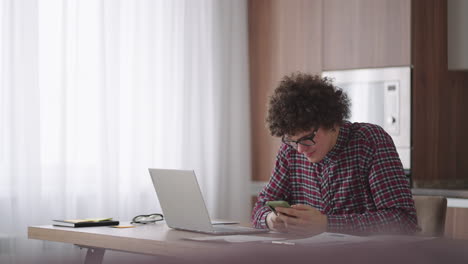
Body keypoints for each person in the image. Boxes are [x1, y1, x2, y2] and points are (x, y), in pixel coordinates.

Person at [251, 73, 419, 235]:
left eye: (307, 138)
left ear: (330, 121)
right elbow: (260, 208)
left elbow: (403, 221)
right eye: (293, 140)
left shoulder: (369, 141)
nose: (301, 150)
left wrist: (327, 224)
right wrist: (270, 219)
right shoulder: (290, 151)